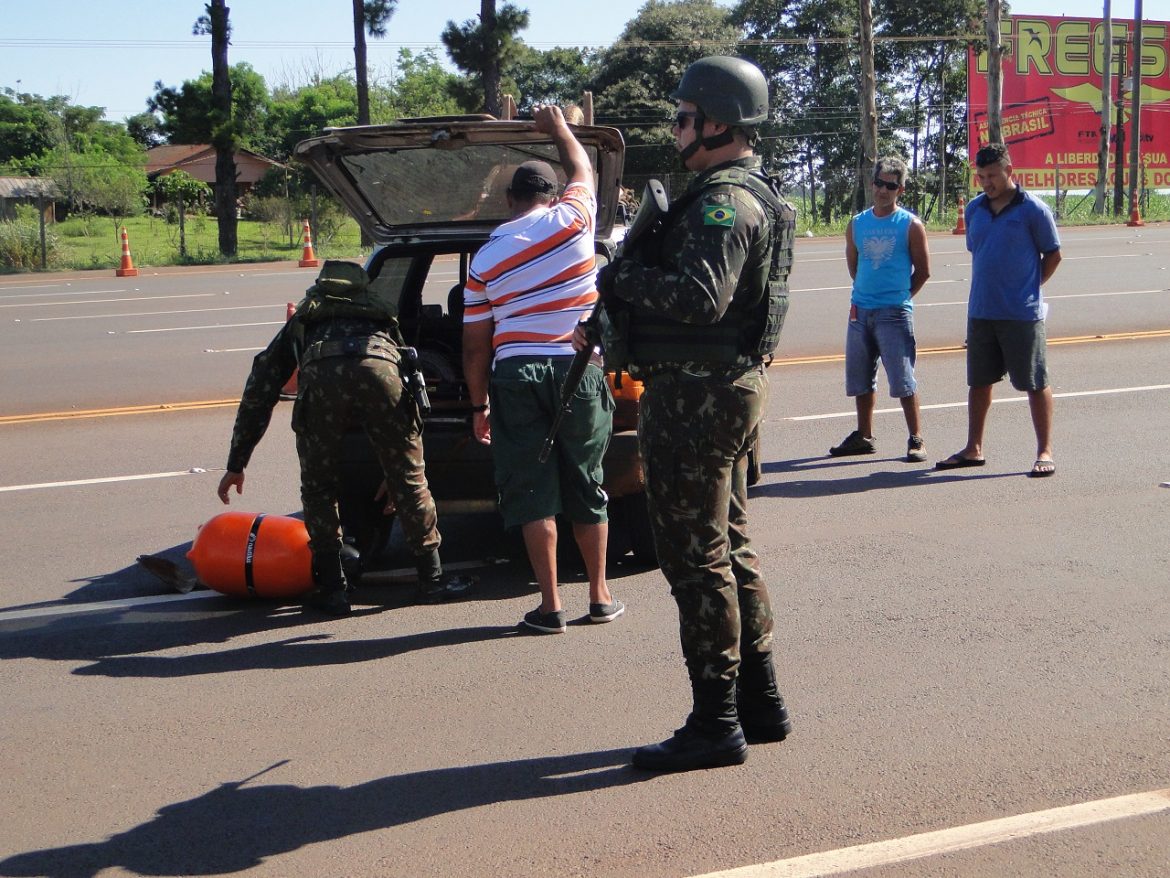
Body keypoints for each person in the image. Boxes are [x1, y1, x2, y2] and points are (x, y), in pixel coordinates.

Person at [593, 56, 796, 771]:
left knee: (695, 558)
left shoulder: (723, 203)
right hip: (720, 392)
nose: (674, 127)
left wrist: (622, 274)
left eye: (683, 117)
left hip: (696, 398)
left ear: (717, 122)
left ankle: (715, 723)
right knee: (730, 547)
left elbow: (700, 298)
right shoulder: (744, 194)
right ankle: (760, 704)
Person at [462, 104, 622, 635]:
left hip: (517, 375)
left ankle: (550, 607)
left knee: (533, 490)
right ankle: (599, 596)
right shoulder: (575, 219)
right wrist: (559, 129)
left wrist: (477, 405)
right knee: (586, 480)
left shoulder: (484, 258)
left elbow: (474, 347)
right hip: (578, 371)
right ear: (551, 196)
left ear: (510, 202)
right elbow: (584, 170)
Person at [217, 260, 450, 615]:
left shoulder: (306, 318)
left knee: (319, 488)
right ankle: (431, 580)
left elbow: (260, 389)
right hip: (381, 374)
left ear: (321, 287)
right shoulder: (381, 316)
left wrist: (237, 463)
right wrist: (396, 470)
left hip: (322, 381)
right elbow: (409, 380)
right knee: (412, 482)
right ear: (362, 288)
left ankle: (334, 589)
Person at [935, 143, 1062, 477]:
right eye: (981, 176)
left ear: (1010, 171)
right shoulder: (975, 210)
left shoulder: (1034, 210)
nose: (986, 182)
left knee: (1034, 381)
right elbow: (979, 251)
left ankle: (1044, 450)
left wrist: (1029, 288)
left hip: (1022, 314)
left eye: (992, 175)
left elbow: (1053, 255)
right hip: (981, 311)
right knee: (979, 382)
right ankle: (973, 448)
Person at [829, 156, 931, 462]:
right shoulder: (857, 224)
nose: (883, 190)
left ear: (900, 189)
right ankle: (864, 435)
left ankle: (916, 438)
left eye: (890, 185)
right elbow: (854, 266)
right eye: (879, 183)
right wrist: (867, 296)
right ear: (872, 184)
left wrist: (900, 297)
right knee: (860, 378)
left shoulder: (910, 225)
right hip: (860, 311)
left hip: (894, 313)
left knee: (902, 379)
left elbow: (923, 271)